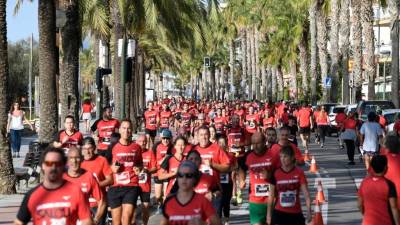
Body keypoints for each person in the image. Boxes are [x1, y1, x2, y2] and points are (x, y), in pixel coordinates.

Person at [14, 147, 93, 225]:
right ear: (43, 166)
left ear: (64, 166)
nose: (53, 167)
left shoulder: (76, 191)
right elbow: (19, 222)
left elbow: (87, 221)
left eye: (57, 164)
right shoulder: (32, 195)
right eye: (49, 163)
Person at [160, 161, 221, 225]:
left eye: (189, 175)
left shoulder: (203, 201)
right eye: (181, 175)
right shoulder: (170, 203)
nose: (184, 178)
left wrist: (203, 224)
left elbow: (217, 223)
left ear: (195, 179)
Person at [108, 119, 143, 225]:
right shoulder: (112, 147)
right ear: (119, 130)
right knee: (116, 222)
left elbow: (140, 163)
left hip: (131, 185)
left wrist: (139, 168)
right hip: (115, 186)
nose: (126, 131)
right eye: (124, 128)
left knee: (126, 219)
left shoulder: (136, 147)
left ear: (131, 130)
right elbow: (104, 166)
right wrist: (112, 168)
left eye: (129, 128)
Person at [267, 145, 311, 225]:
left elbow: (306, 195)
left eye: (285, 157)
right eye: (281, 157)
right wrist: (269, 215)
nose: (282, 159)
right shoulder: (276, 173)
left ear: (292, 158)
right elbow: (271, 196)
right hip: (279, 213)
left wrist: (309, 211)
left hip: (295, 213)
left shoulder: (299, 173)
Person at [239, 132, 276, 225]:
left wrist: (270, 175)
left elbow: (280, 173)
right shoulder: (248, 155)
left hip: (272, 199)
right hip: (255, 200)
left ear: (264, 142)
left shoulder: (273, 154)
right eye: (253, 143)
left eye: (258, 143)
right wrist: (242, 179)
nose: (255, 146)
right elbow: (241, 168)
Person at [63, 147, 105, 225]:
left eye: (77, 158)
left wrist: (95, 220)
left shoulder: (89, 176)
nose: (74, 161)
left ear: (82, 159)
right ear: (67, 161)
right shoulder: (61, 178)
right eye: (71, 158)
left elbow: (102, 201)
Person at [358, 155, 400, 225]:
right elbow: (394, 207)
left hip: (368, 222)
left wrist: (366, 214)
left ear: (372, 167)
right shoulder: (389, 184)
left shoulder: (364, 183)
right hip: (385, 221)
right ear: (385, 168)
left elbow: (359, 204)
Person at [136, 135, 157, 225]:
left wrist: (147, 170)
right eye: (141, 141)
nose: (143, 143)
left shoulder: (150, 153)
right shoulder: (133, 152)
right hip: (133, 186)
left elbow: (155, 168)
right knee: (131, 210)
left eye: (144, 141)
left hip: (145, 186)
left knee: (145, 208)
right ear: (137, 142)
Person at [217, 135, 237, 225]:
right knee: (218, 205)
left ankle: (227, 222)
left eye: (223, 143)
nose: (221, 145)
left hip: (228, 183)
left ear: (226, 145)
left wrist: (228, 169)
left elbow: (235, 167)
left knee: (226, 204)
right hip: (217, 184)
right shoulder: (214, 156)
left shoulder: (231, 156)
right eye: (219, 143)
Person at [153, 129, 174, 205]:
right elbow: (155, 161)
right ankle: (161, 204)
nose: (165, 140)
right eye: (164, 138)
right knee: (158, 196)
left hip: (168, 174)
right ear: (161, 138)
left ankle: (164, 209)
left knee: (166, 195)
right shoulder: (156, 147)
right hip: (158, 173)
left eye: (167, 138)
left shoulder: (173, 148)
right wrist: (165, 158)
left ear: (170, 139)